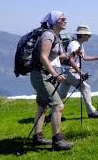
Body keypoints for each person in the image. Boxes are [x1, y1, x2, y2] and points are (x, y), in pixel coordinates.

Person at [30, 11, 74, 151]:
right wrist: (55, 74)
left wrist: (72, 54)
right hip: (41, 76)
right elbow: (44, 57)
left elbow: (58, 57)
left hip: (43, 75)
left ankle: (38, 138)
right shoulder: (49, 35)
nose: (65, 20)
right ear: (55, 21)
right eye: (62, 18)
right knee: (58, 105)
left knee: (42, 105)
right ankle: (57, 141)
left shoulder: (56, 36)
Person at [58, 25, 98, 118]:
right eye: (88, 35)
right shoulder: (75, 44)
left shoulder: (79, 44)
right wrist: (80, 72)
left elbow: (84, 57)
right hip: (70, 71)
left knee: (61, 94)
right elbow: (71, 61)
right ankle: (91, 112)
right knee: (86, 88)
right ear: (82, 35)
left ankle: (53, 113)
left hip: (65, 71)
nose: (89, 36)